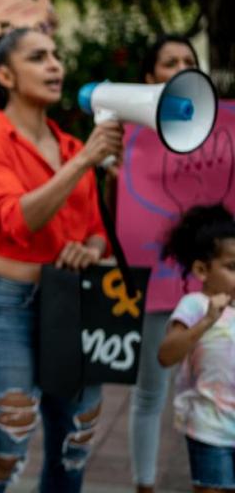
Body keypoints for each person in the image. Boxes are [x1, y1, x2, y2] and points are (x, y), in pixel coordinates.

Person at [0, 27, 124, 492]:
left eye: (56, 55)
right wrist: (83, 163)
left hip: (73, 302)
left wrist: (88, 249)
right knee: (3, 455)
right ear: (6, 74)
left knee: (74, 447)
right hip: (8, 308)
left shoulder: (73, 145)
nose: (55, 65)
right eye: (38, 57)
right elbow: (15, 221)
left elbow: (96, 231)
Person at [120, 34, 201, 493]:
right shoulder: (128, 134)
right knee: (151, 390)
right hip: (157, 281)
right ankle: (144, 484)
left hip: (211, 283)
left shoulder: (218, 128)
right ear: (150, 78)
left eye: (188, 60)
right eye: (169, 62)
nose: (180, 67)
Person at [157, 204, 235, 493]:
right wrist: (206, 322)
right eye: (231, 268)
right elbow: (166, 355)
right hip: (210, 429)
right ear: (202, 270)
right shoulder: (195, 306)